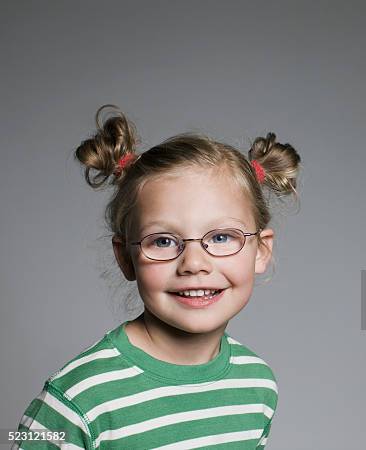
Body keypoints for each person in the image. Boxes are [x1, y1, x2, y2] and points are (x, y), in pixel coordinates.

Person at [12, 104, 301, 449]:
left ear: (261, 251)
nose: (194, 263)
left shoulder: (257, 384)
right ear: (126, 258)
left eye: (221, 237)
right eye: (163, 241)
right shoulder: (79, 398)